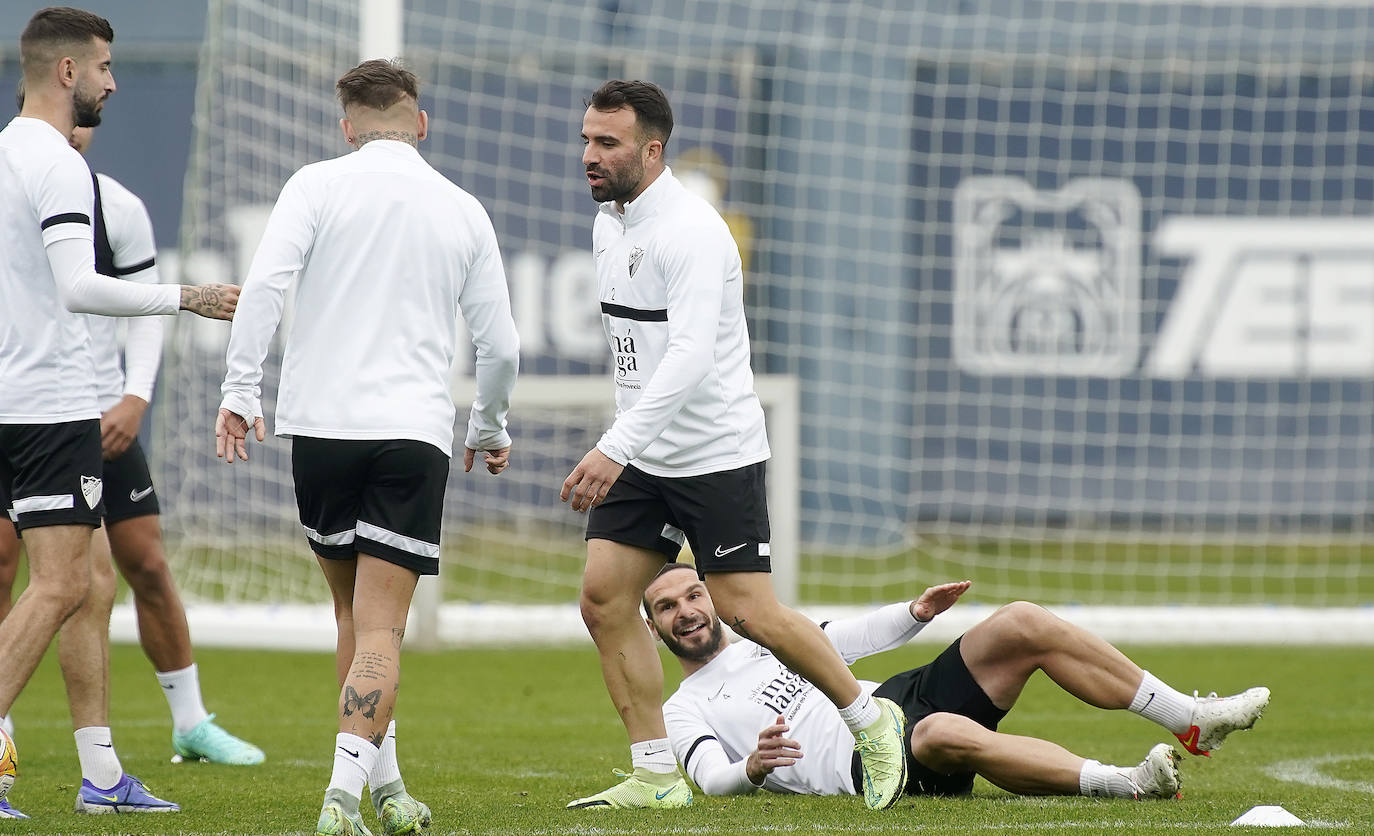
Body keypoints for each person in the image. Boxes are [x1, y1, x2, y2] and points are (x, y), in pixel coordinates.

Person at [560, 80, 906, 812]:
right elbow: (638, 356)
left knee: (748, 613)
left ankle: (869, 721)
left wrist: (613, 446)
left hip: (715, 455)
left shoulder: (690, 229)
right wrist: (629, 446)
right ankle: (657, 773)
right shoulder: (609, 224)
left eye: (607, 143)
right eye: (587, 139)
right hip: (646, 456)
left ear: (652, 151)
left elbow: (686, 358)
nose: (589, 155)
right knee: (601, 598)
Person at [215, 59, 519, 836]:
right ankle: (341, 800)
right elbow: (501, 346)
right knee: (382, 628)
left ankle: (389, 793)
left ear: (346, 127)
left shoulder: (314, 184)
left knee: (352, 618)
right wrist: (488, 425)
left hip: (317, 431)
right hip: (407, 436)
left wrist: (239, 393)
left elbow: (265, 291)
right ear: (421, 123)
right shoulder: (461, 207)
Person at [0, 7, 237, 818]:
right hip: (51, 405)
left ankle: (101, 774)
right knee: (62, 583)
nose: (112, 81)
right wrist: (190, 297)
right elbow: (79, 286)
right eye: (103, 66)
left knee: (92, 582)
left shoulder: (4, 152)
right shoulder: (61, 165)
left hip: (14, 400)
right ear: (68, 72)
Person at [646, 563, 1271, 801]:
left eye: (693, 593)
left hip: (891, 701)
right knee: (944, 730)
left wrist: (914, 614)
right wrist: (751, 768)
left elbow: (848, 639)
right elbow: (708, 780)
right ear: (653, 629)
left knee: (1020, 622)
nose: (688, 610)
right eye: (668, 607)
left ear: (710, 594)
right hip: (867, 768)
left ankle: (1189, 718)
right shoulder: (685, 706)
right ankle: (1126, 783)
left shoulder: (768, 633)